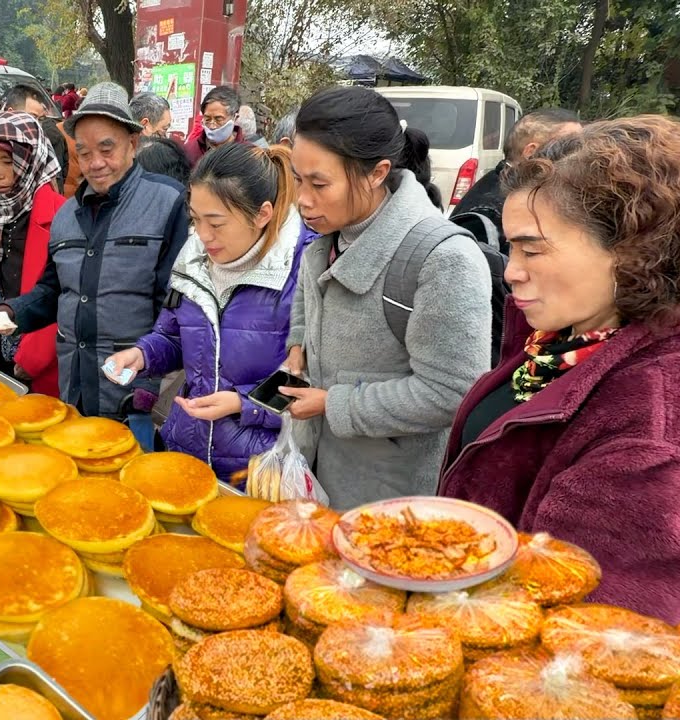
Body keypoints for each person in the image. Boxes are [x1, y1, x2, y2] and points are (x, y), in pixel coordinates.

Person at [438, 116, 680, 624]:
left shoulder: (654, 441)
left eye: (531, 248)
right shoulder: (567, 335)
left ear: (632, 248)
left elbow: (590, 643)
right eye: (510, 245)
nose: (510, 270)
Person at [281, 86, 492, 510]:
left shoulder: (443, 258)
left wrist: (335, 404)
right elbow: (311, 287)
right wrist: (299, 342)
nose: (303, 199)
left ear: (377, 173)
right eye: (298, 179)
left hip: (388, 499)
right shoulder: (331, 230)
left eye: (320, 183)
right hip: (315, 472)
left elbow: (452, 392)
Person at [106, 143, 317, 480]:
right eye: (195, 219)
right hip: (187, 450)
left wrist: (242, 402)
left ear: (262, 214)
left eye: (216, 223)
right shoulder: (195, 257)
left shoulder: (305, 266)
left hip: (259, 470)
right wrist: (143, 353)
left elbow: (313, 382)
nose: (203, 235)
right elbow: (175, 335)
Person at [0, 82, 188, 439]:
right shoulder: (67, 215)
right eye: (83, 152)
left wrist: (151, 385)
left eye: (106, 149)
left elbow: (174, 309)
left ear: (133, 143)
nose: (95, 163)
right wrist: (13, 311)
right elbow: (53, 291)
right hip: (76, 385)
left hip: (134, 394)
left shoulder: (168, 202)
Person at [0, 112, 65, 396]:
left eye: (8, 161)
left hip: (43, 360)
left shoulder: (61, 214)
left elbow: (64, 293)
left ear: (29, 161)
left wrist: (34, 358)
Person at [453, 108, 581, 254]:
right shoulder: (490, 210)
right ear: (531, 152)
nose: (580, 153)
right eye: (570, 145)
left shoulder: (528, 192)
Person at [1, 84, 69, 190]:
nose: (37, 125)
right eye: (32, 117)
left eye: (40, 119)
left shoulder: (47, 144)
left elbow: (57, 185)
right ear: (10, 113)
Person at [184, 86, 245, 164]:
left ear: (235, 118)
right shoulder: (189, 150)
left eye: (219, 119)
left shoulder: (250, 154)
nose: (212, 126)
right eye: (207, 119)